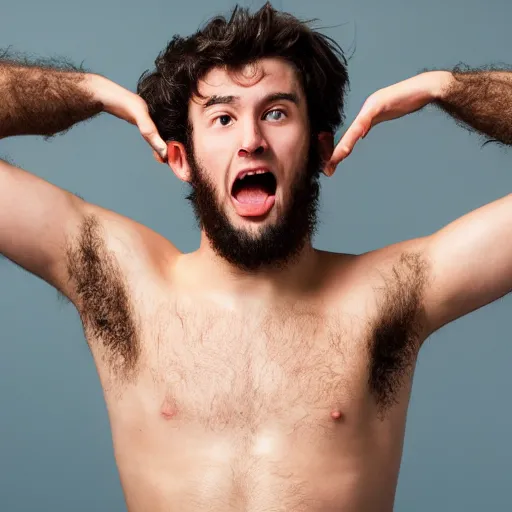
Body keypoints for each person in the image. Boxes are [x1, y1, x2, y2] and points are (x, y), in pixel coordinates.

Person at [1, 3, 511, 511]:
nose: (251, 141)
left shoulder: (392, 294)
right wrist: (85, 91)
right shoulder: (120, 280)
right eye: (223, 117)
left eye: (275, 113)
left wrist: (445, 87)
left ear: (318, 150)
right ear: (181, 157)